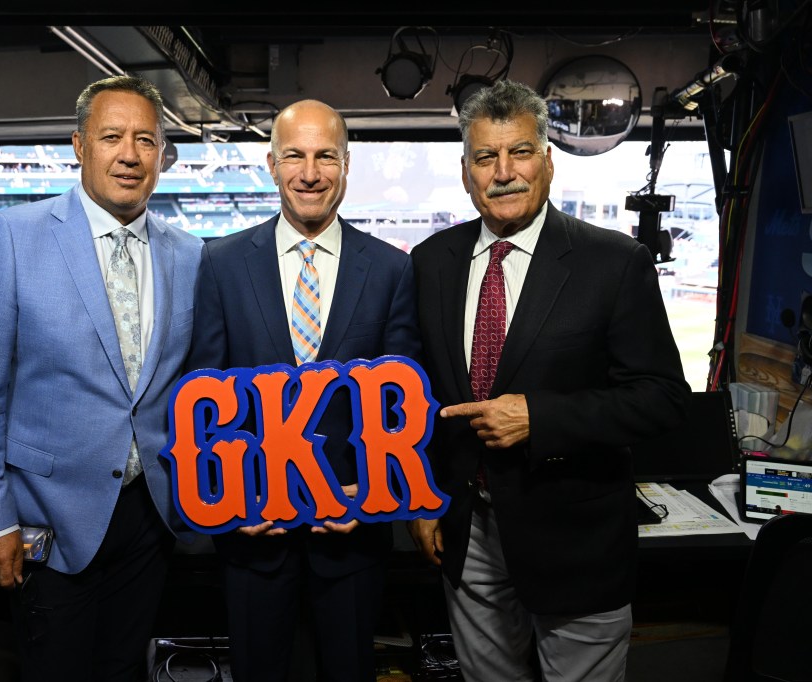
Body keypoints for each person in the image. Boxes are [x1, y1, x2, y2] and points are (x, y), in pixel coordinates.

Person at [408, 79, 691, 681]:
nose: (504, 171)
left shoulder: (614, 264)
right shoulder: (431, 262)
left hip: (576, 545)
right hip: (469, 536)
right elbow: (423, 397)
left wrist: (541, 418)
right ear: (466, 172)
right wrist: (426, 501)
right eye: (486, 156)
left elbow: (662, 399)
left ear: (548, 162)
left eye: (521, 152)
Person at [0, 74, 203, 682]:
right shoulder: (12, 236)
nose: (130, 154)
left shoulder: (189, 253)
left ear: (162, 153)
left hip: (150, 520)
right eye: (112, 136)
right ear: (79, 145)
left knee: (124, 670)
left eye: (146, 139)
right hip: (49, 523)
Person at [186, 99, 421, 682]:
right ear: (271, 163)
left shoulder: (392, 269)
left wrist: (369, 494)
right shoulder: (219, 263)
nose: (309, 172)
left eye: (325, 157)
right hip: (252, 538)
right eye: (294, 155)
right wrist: (227, 502)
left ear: (346, 165)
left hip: (352, 540)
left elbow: (402, 409)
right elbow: (202, 399)